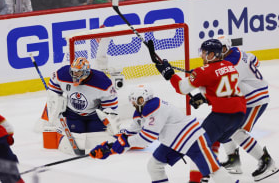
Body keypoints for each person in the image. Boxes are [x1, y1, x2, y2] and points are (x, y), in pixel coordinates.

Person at [90, 84, 239, 183]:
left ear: (145, 99)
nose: (134, 103)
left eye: (137, 100)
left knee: (213, 169)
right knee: (154, 166)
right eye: (134, 100)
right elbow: (128, 134)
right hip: (174, 143)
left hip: (193, 139)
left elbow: (147, 138)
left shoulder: (155, 107)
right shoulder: (141, 112)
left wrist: (125, 142)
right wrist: (109, 148)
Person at [155, 39, 247, 182]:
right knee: (212, 142)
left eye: (203, 53)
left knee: (196, 144)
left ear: (211, 54)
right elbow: (221, 88)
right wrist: (205, 98)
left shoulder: (204, 71)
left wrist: (169, 74)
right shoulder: (229, 65)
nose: (201, 56)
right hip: (239, 115)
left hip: (222, 116)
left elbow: (182, 88)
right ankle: (205, 175)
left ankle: (196, 180)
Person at [216, 35, 278, 181]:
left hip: (255, 100)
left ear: (227, 49)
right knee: (223, 124)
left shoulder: (230, 65)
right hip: (246, 97)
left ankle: (267, 162)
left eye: (221, 49)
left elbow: (222, 85)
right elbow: (256, 60)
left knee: (237, 132)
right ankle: (233, 160)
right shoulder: (237, 51)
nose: (218, 52)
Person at [43, 57, 119, 154]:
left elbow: (111, 103)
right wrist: (56, 106)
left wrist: (109, 118)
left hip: (94, 115)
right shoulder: (62, 74)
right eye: (73, 72)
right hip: (72, 114)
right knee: (76, 137)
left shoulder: (101, 81)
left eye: (78, 72)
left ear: (86, 72)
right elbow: (53, 92)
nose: (75, 75)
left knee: (95, 139)